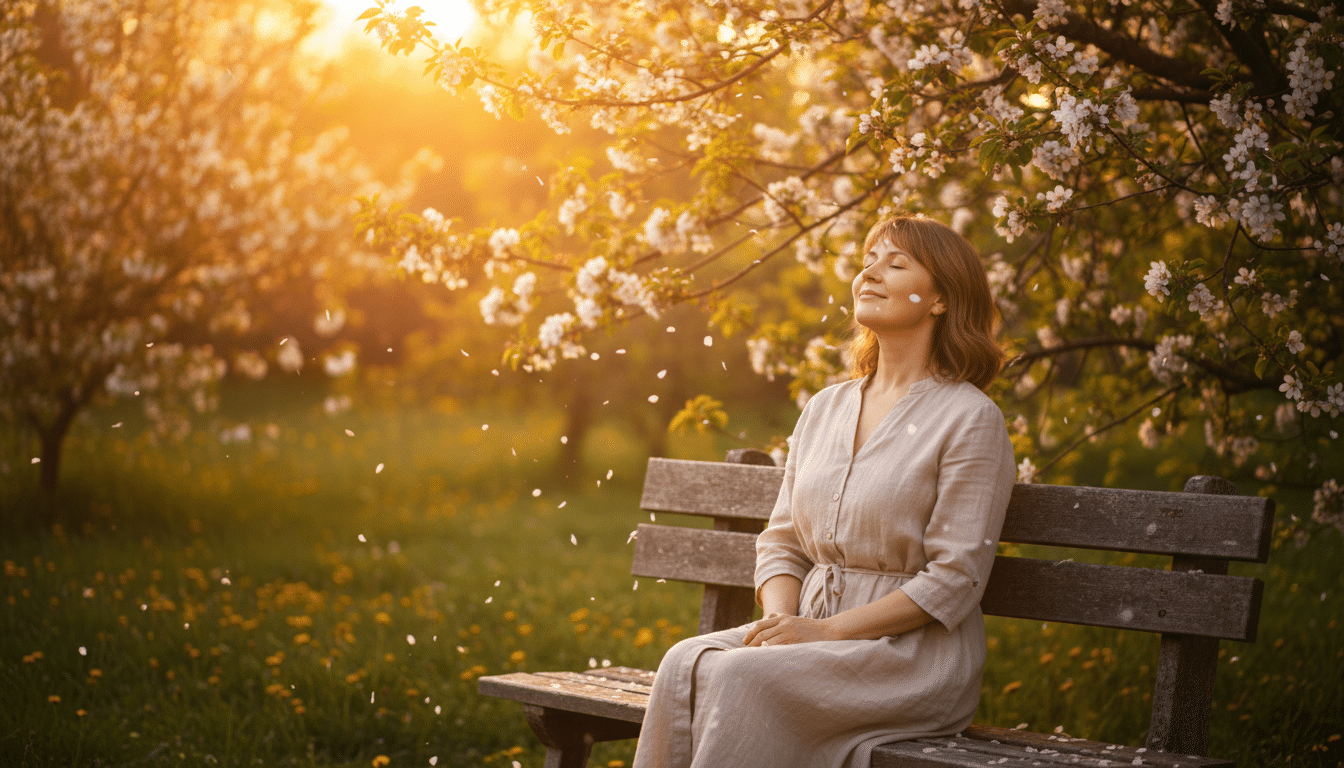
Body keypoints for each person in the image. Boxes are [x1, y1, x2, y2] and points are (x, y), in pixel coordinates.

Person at [631, 215, 1017, 768]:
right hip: (810, 629)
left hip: (908, 655)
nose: (870, 273)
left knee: (739, 675)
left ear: (941, 300)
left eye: (896, 263)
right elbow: (782, 541)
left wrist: (827, 632)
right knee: (684, 663)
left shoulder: (970, 419)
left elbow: (954, 581)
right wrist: (784, 627)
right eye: (868, 260)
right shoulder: (824, 409)